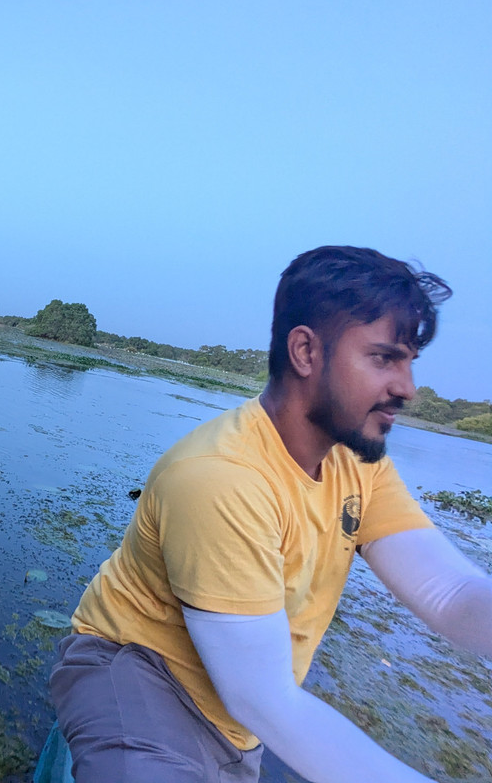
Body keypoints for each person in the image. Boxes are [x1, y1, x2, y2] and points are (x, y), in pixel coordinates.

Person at [51, 246, 491, 782]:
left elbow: (447, 593)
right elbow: (264, 700)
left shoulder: (358, 462)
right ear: (305, 351)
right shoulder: (221, 476)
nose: (408, 388)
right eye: (383, 358)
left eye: (409, 362)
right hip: (139, 668)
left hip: (239, 713)